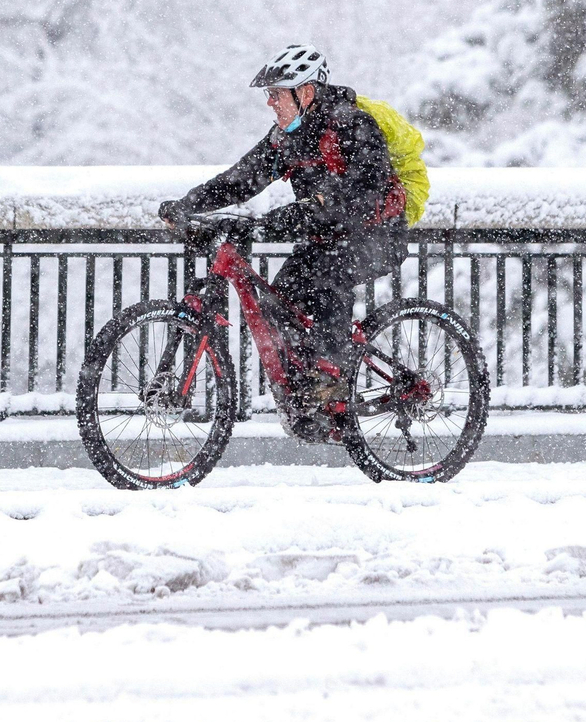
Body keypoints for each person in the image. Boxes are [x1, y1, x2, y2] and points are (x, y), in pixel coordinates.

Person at [158, 45, 407, 441]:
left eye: (277, 94)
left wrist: (311, 209)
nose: (271, 103)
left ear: (305, 92)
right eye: (269, 95)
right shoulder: (287, 137)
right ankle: (307, 394)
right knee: (281, 299)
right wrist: (191, 204)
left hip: (374, 234)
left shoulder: (352, 125)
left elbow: (364, 191)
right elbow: (242, 178)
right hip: (327, 237)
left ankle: (330, 384)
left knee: (325, 279)